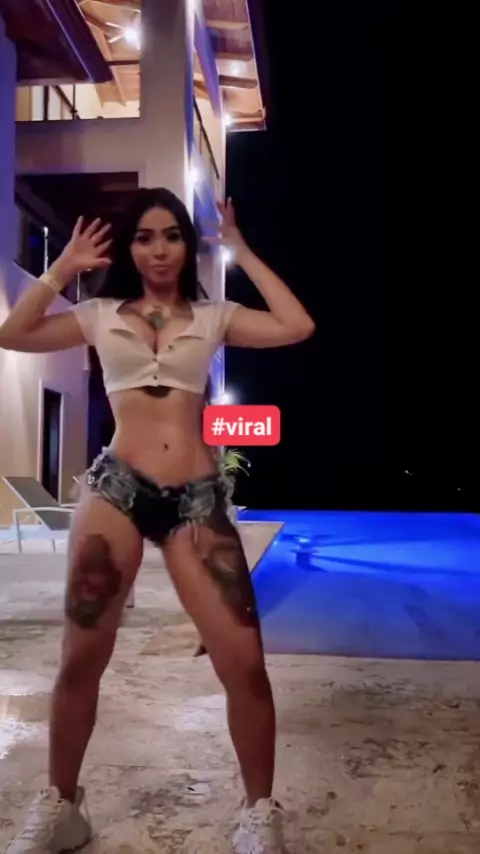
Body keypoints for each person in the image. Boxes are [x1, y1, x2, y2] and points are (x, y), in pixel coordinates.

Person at [0, 187, 315, 854]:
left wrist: (240, 251)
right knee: (80, 658)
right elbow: (12, 333)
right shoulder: (96, 314)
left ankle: (258, 812)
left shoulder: (215, 315)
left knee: (244, 664)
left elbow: (297, 325)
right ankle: (62, 805)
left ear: (187, 245)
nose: (159, 249)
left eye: (172, 235)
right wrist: (61, 269)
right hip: (115, 490)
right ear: (131, 247)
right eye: (145, 237)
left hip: (195, 500)